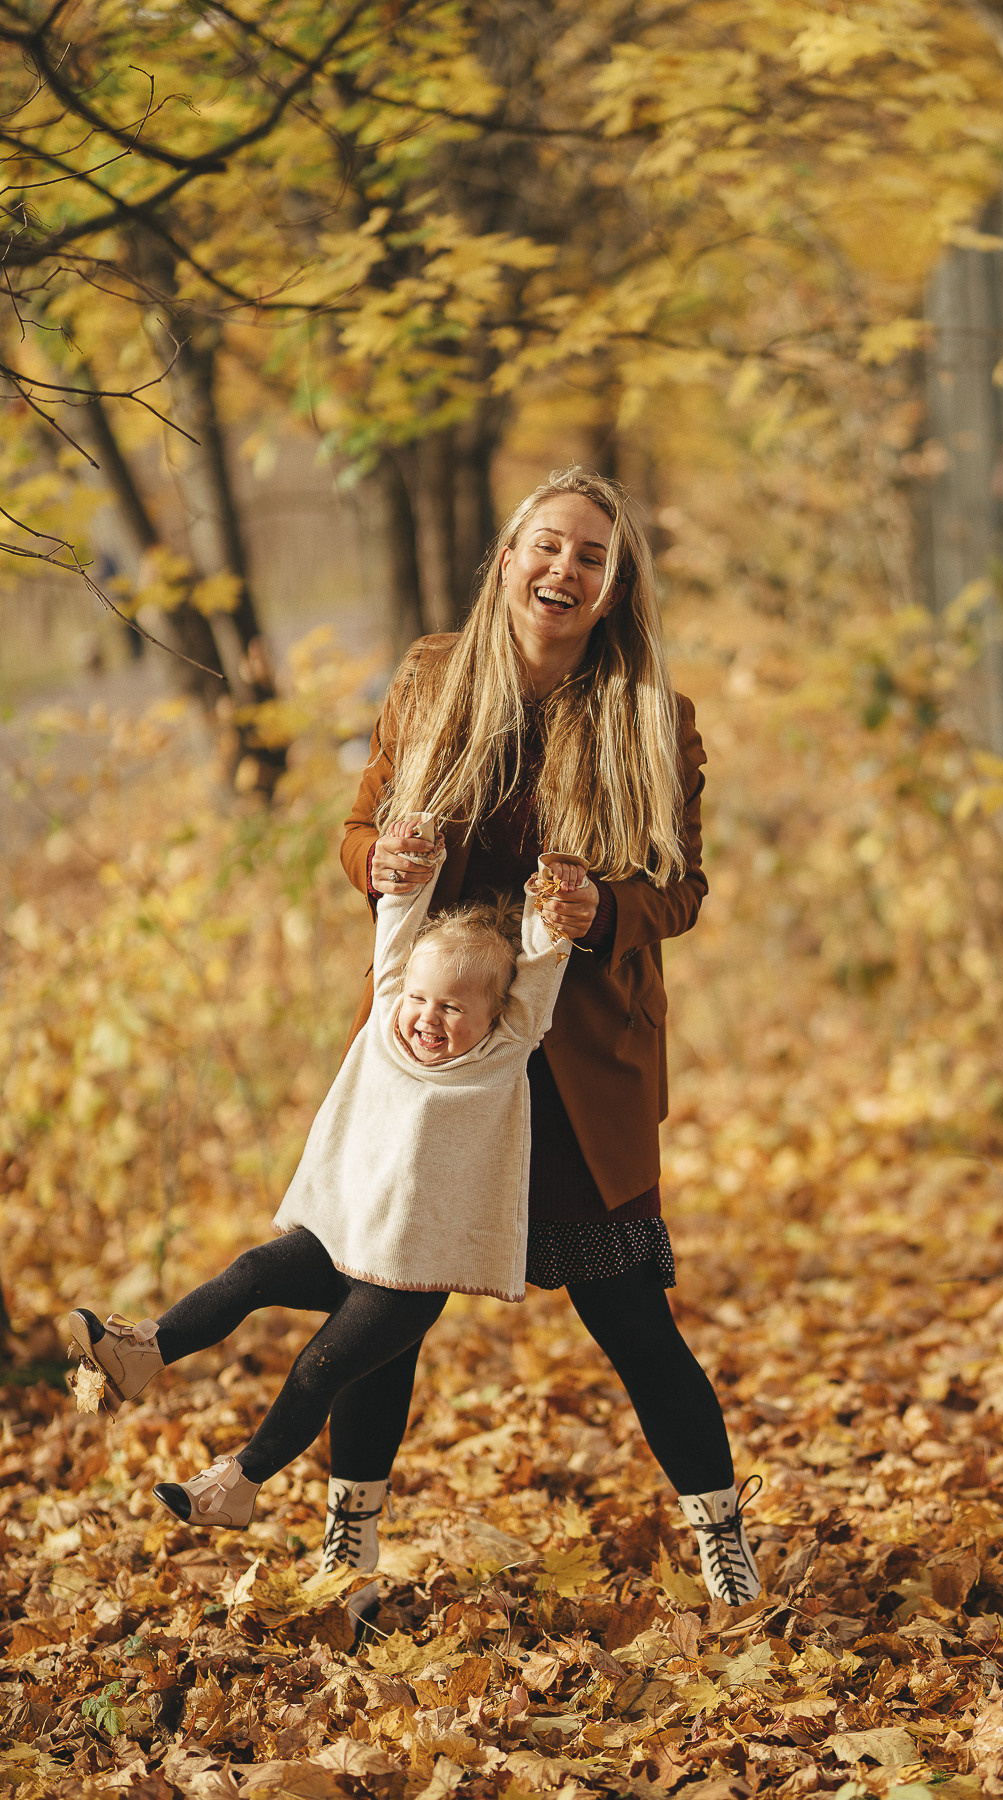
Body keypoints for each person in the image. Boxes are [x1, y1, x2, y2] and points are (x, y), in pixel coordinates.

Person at [338, 466, 761, 1607]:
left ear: (615, 588)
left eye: (590, 556)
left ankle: (723, 1547)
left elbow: (680, 889)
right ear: (510, 558)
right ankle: (347, 1549)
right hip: (438, 1045)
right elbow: (362, 823)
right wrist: (372, 862)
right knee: (382, 1305)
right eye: (547, 545)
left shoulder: (651, 718)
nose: (563, 569)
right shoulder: (433, 681)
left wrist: (604, 912)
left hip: (579, 1063)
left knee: (628, 1314)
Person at [67, 845, 579, 1620]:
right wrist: (417, 850)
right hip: (341, 1240)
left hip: (408, 1278)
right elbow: (398, 919)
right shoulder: (384, 1016)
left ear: (493, 1017)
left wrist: (555, 905)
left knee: (321, 1368)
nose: (426, 1018)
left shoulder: (505, 1051)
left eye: (451, 1008)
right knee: (251, 1273)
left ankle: (236, 1485)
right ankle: (141, 1354)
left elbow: (541, 970)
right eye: (419, 997)